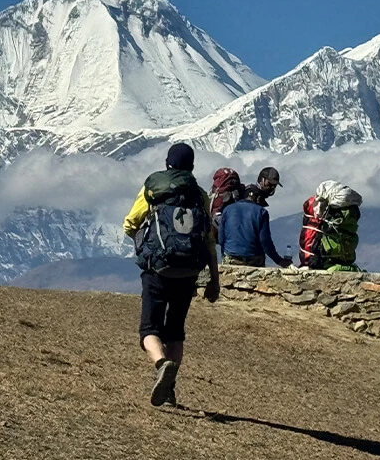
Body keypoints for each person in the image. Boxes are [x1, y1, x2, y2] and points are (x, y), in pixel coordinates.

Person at [124, 143, 220, 408]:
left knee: (149, 329)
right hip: (189, 270)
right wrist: (214, 279)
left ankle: (161, 364)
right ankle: (170, 388)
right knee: (175, 331)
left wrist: (146, 244)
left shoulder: (153, 189)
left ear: (167, 164)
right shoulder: (199, 194)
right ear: (191, 166)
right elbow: (209, 239)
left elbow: (129, 223)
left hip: (158, 268)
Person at [219, 185, 292, 268]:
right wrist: (279, 261)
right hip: (254, 259)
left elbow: (221, 238)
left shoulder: (227, 209)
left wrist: (224, 254)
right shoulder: (261, 212)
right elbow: (265, 241)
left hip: (231, 257)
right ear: (258, 199)